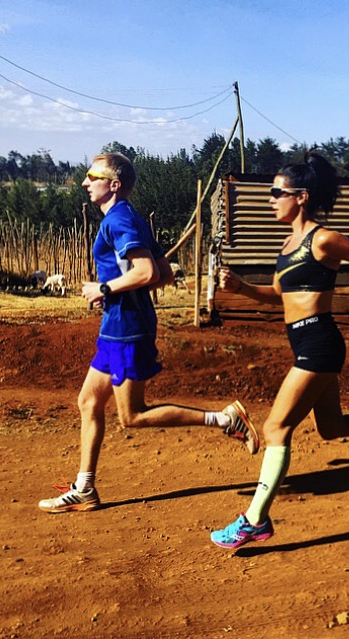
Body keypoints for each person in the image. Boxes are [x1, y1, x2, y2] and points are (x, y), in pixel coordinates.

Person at [210, 151, 349, 550]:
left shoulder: (323, 238)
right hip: (303, 339)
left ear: (301, 196)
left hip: (319, 341)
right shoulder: (288, 243)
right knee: (332, 427)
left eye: (276, 193)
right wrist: (242, 289)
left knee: (276, 428)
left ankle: (255, 520)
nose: (270, 199)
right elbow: (279, 295)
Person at [38, 152, 259, 513]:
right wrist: (117, 289)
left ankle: (225, 418)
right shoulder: (130, 218)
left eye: (91, 176)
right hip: (119, 326)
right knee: (89, 402)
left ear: (114, 184)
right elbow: (166, 273)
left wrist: (104, 289)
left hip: (127, 328)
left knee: (133, 416)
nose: (84, 182)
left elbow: (146, 274)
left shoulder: (119, 221)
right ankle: (85, 489)